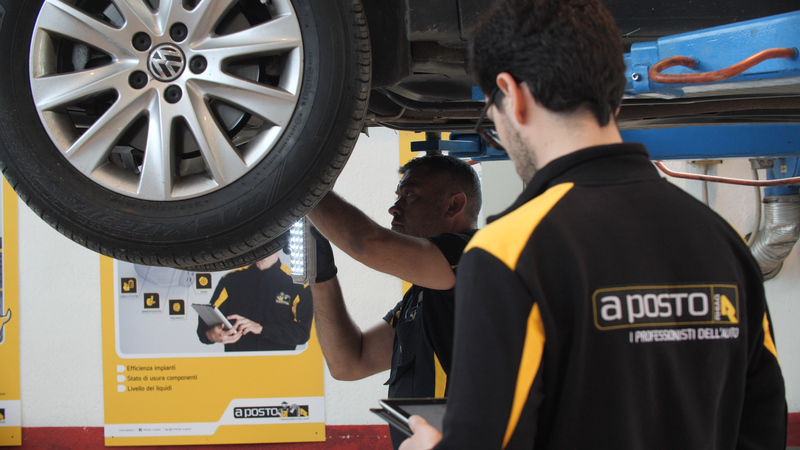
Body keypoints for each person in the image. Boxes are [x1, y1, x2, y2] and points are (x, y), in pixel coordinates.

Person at [401, 0, 788, 448]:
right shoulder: (723, 243)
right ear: (615, 93)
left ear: (514, 94)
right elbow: (764, 430)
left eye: (492, 111)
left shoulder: (508, 251)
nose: (497, 129)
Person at [305, 155, 481, 448]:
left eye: (409, 194)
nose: (394, 207)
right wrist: (321, 274)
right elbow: (349, 362)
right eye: (398, 195)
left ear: (454, 205)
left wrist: (300, 186)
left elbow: (368, 243)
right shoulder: (423, 294)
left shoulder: (470, 257)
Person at [197, 252, 313, 352]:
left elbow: (302, 333)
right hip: (238, 367)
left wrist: (261, 329)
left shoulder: (298, 284)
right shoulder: (230, 280)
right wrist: (211, 335)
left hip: (279, 367)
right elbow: (205, 324)